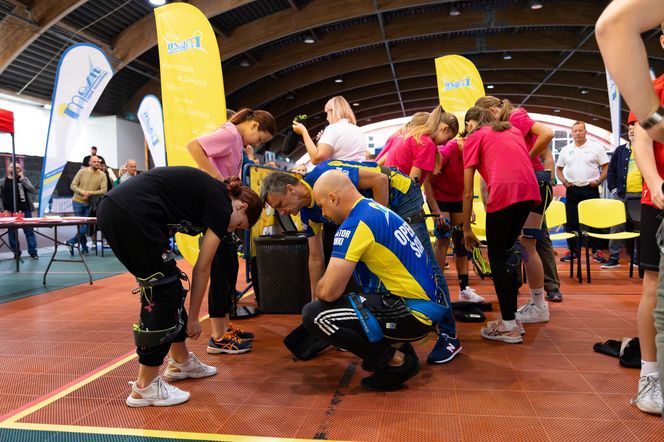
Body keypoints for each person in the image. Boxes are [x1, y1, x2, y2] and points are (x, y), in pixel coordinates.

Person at [261, 158, 461, 365]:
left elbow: (380, 180)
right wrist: (318, 304)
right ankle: (395, 335)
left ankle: (448, 335)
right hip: (371, 213)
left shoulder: (326, 173)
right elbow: (315, 258)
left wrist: (382, 226)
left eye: (281, 205)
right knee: (365, 271)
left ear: (291, 189)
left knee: (427, 267)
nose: (282, 213)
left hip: (399, 196)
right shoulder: (307, 213)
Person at [96, 166, 262, 407]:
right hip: (130, 213)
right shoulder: (222, 204)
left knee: (167, 282)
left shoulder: (213, 196)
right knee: (163, 290)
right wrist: (193, 319)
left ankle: (180, 361)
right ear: (241, 206)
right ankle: (146, 386)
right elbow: (203, 267)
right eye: (238, 225)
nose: (231, 229)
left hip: (122, 211)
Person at [302, 170, 444, 391]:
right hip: (427, 304)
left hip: (415, 313)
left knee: (316, 315)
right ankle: (400, 349)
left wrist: (321, 286)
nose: (325, 214)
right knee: (357, 292)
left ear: (333, 198)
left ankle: (396, 361)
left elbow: (328, 292)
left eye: (322, 206)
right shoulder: (376, 209)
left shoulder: (355, 224)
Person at [186, 108, 276, 355]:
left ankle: (225, 327)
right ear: (254, 125)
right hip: (215, 208)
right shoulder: (229, 133)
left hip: (224, 209)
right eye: (260, 139)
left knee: (228, 269)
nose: (257, 144)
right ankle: (217, 336)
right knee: (219, 270)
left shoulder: (236, 140)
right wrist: (217, 179)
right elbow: (193, 146)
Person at [384, 106, 462, 363]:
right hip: (406, 215)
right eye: (448, 138)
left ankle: (436, 334)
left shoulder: (405, 137)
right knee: (432, 274)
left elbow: (381, 168)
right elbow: (411, 184)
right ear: (443, 128)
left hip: (396, 214)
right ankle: (449, 336)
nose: (446, 144)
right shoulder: (426, 143)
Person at [461, 107, 540, 343]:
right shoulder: (512, 130)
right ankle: (512, 319)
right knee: (506, 252)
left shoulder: (474, 137)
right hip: (529, 192)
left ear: (471, 123)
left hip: (505, 193)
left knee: (497, 257)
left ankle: (507, 325)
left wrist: (466, 229)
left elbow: (467, 192)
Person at [475, 96, 558, 316]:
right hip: (527, 184)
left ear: (494, 110)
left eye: (486, 118)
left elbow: (548, 133)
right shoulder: (507, 125)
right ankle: (536, 302)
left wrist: (526, 157)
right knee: (523, 244)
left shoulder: (515, 116)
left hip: (534, 182)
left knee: (528, 245)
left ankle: (539, 305)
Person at [630, 24, 664, 416]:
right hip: (660, 203)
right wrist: (656, 182)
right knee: (654, 286)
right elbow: (642, 137)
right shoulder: (655, 90)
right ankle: (649, 375)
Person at [424, 138, 484, 303]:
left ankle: (464, 290)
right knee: (444, 238)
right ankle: (436, 290)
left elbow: (467, 182)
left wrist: (469, 208)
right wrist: (436, 211)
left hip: (458, 197)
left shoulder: (474, 152)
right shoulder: (447, 151)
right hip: (439, 197)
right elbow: (427, 182)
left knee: (461, 240)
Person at [596, 1, 664, 144]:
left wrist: (653, 120)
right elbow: (613, 25)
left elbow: (613, 25)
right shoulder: (655, 89)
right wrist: (654, 120)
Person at [555, 121, 610, 264]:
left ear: (585, 132)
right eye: (575, 131)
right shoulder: (566, 149)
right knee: (571, 222)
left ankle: (597, 251)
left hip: (590, 189)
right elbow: (558, 169)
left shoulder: (596, 147)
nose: (578, 133)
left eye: (580, 130)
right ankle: (573, 251)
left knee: (594, 221)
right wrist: (565, 182)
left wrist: (598, 181)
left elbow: (606, 167)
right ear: (571, 133)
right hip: (572, 189)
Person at [604, 118, 642, 269]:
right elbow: (611, 171)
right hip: (620, 195)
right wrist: (613, 189)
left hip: (639, 195)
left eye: (635, 128)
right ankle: (613, 258)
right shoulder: (620, 150)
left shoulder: (646, 149)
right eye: (630, 129)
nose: (632, 130)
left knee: (638, 229)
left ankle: (637, 259)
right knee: (616, 227)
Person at [292, 96, 366, 165]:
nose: (327, 118)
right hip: (358, 172)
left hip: (338, 174)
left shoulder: (332, 128)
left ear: (333, 111)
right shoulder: (358, 130)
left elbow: (316, 159)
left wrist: (304, 132)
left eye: (327, 113)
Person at [67, 155, 106, 255]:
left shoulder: (102, 175)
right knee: (81, 227)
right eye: (95, 162)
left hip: (89, 203)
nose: (97, 163)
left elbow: (103, 190)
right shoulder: (81, 172)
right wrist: (83, 192)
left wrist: (89, 193)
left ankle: (71, 242)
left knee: (85, 228)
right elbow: (73, 185)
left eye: (98, 162)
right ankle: (84, 248)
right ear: (90, 163)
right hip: (77, 202)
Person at [0, 163, 38, 259]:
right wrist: (3, 210)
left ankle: (33, 252)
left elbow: (33, 190)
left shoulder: (23, 180)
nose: (16, 169)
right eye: (13, 167)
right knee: (12, 234)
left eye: (18, 168)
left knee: (29, 231)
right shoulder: (2, 182)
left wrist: (22, 179)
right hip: (10, 212)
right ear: (8, 168)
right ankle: (16, 253)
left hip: (25, 210)